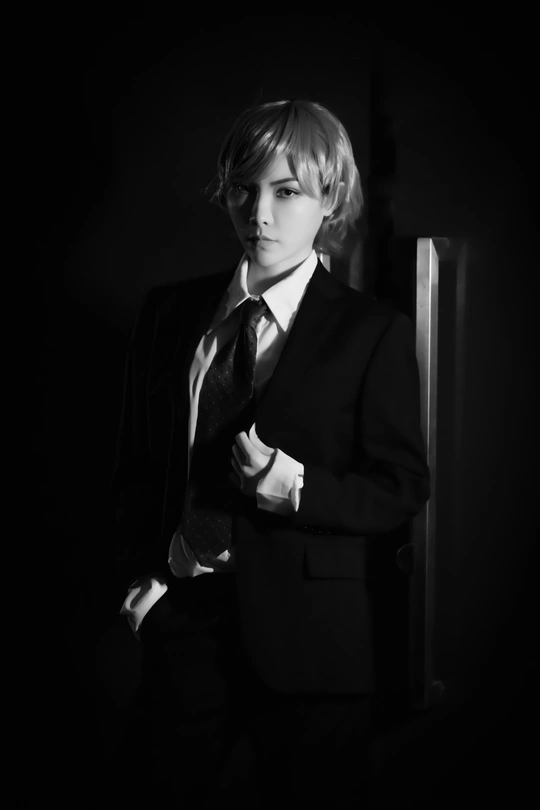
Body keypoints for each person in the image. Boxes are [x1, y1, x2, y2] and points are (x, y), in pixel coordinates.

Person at [111, 99, 430, 808]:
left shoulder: (371, 332)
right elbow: (135, 464)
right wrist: (143, 581)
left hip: (313, 646)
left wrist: (297, 488)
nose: (259, 214)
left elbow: (403, 485)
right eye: (243, 189)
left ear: (329, 199)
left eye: (286, 192)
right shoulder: (169, 314)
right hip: (183, 622)